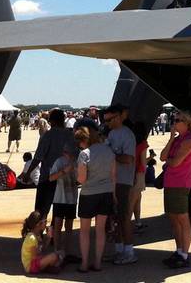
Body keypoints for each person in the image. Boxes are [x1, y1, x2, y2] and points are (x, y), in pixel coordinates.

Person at [160, 109, 191, 269]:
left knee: (182, 218)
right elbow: (163, 157)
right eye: (174, 120)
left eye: (177, 120)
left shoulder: (189, 140)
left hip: (181, 183)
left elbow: (174, 162)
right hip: (171, 182)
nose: (174, 122)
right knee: (173, 218)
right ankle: (179, 250)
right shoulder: (178, 139)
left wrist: (169, 160)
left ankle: (184, 254)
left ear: (187, 124)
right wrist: (170, 139)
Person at [74, 125, 115, 272]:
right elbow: (113, 174)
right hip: (106, 192)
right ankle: (97, 263)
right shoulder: (108, 150)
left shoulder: (84, 154)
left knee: (84, 230)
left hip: (89, 194)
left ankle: (84, 263)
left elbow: (82, 179)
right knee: (100, 230)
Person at [23, 108, 75, 219]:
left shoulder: (48, 135)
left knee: (41, 210)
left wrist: (28, 173)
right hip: (65, 179)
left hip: (47, 178)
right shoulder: (71, 135)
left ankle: (39, 232)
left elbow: (38, 157)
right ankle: (54, 234)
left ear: (52, 121)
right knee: (59, 214)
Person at [103, 104, 138, 265]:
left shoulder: (127, 135)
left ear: (119, 117)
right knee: (115, 218)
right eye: (105, 120)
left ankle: (129, 251)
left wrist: (111, 154)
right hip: (112, 181)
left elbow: (129, 159)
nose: (107, 123)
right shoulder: (111, 134)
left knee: (124, 217)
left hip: (123, 181)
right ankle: (119, 250)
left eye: (109, 119)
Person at [47, 144, 79, 261]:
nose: (69, 156)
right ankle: (57, 250)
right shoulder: (59, 162)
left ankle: (67, 250)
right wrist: (63, 171)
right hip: (60, 198)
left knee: (69, 226)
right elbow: (50, 178)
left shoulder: (77, 162)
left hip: (72, 199)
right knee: (58, 225)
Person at [130, 122, 149, 232]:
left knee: (137, 199)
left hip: (131, 172)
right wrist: (149, 158)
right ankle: (128, 224)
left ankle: (138, 222)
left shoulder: (131, 143)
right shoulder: (143, 144)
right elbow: (142, 162)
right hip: (139, 173)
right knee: (133, 201)